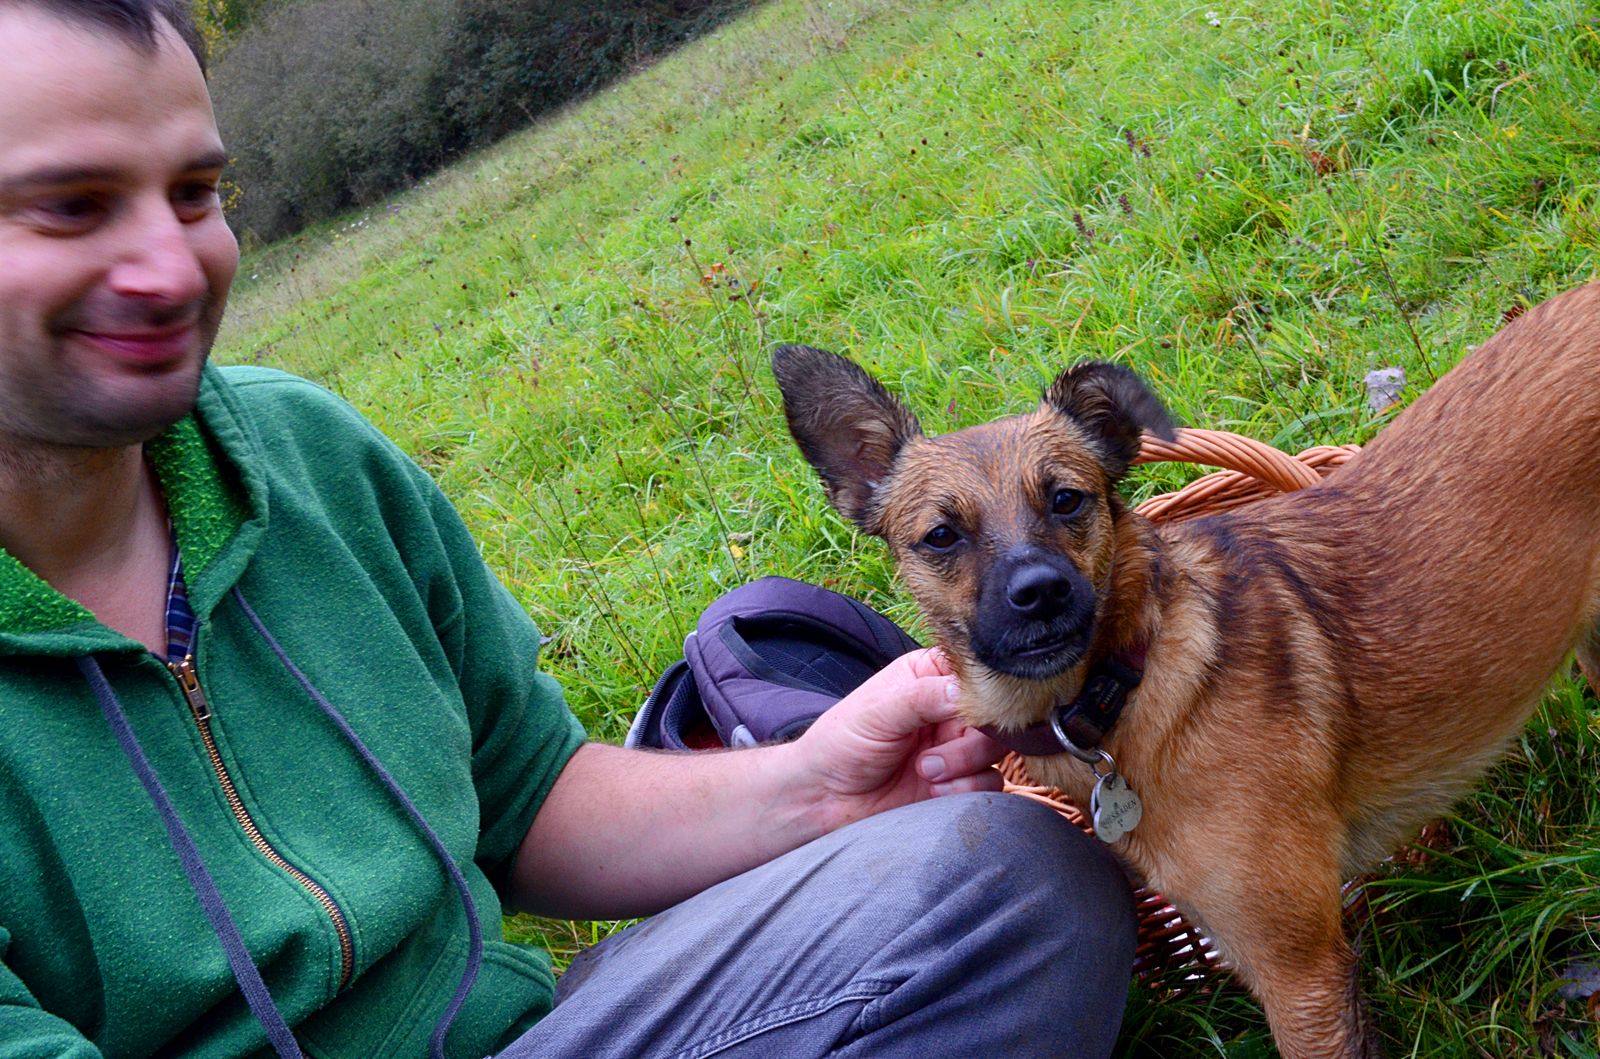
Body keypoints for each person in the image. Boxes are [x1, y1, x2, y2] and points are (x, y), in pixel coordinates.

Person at [0, 2, 1137, 1056]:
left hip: (535, 1037)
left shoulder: (307, 457)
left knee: (1008, 883)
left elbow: (528, 795)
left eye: (193, 192)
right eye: (71, 206)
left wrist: (819, 787)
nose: (171, 269)